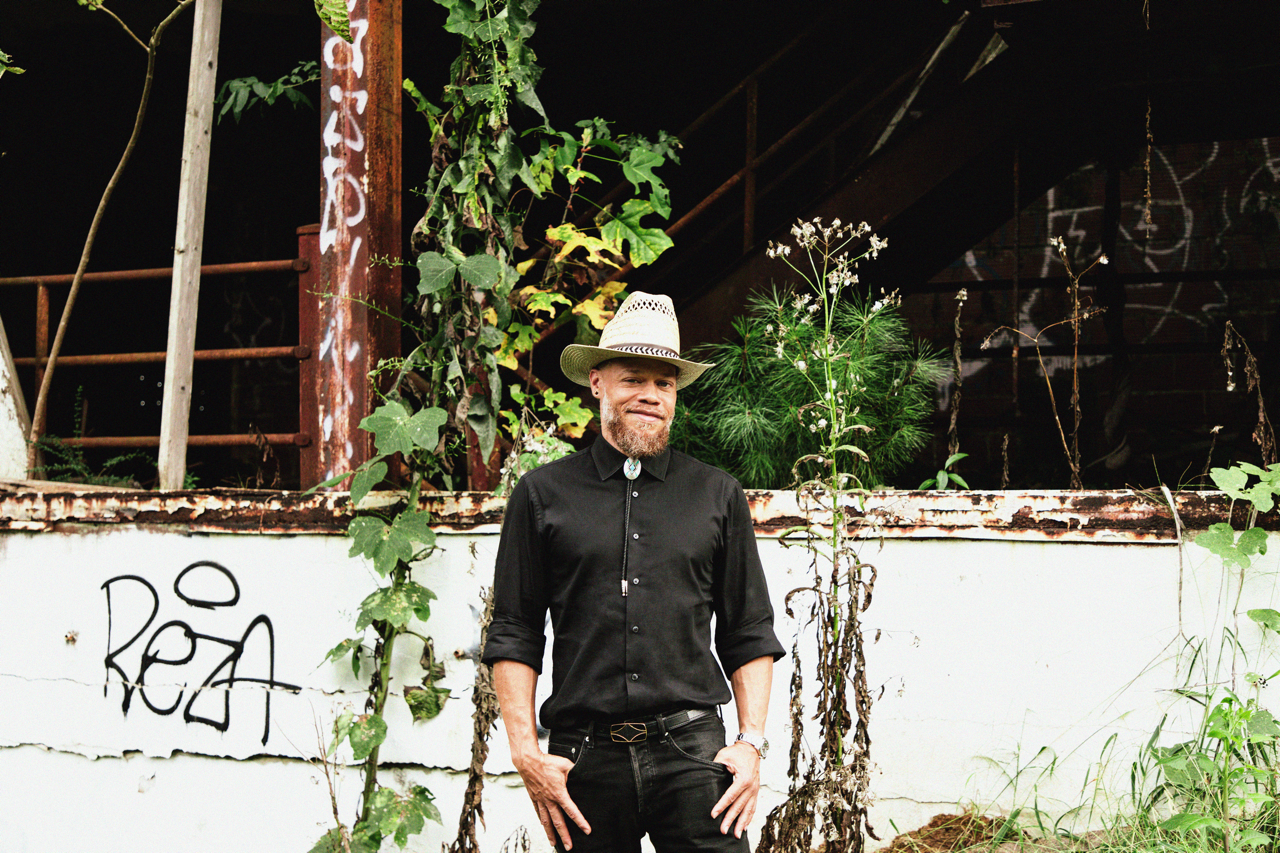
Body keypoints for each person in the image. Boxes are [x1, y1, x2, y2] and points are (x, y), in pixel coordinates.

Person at [482, 291, 786, 853]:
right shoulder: (542, 494)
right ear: (597, 383)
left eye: (664, 384)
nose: (649, 395)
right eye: (632, 379)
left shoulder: (718, 494)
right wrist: (526, 752)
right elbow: (515, 630)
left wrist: (751, 744)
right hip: (583, 761)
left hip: (695, 754)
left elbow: (748, 631)